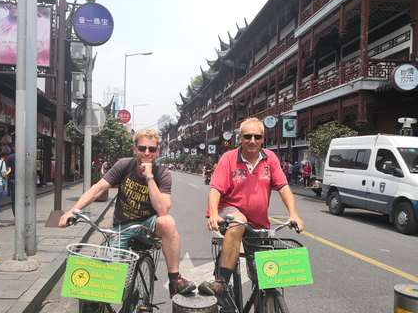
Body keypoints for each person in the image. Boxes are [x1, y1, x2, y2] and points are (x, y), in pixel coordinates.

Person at [59, 129, 196, 298]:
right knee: (105, 286)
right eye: (142, 148)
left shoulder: (163, 175)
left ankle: (174, 280)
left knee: (168, 221)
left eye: (152, 149)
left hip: (147, 227)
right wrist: (73, 211)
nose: (147, 152)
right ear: (135, 149)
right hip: (121, 228)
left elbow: (162, 210)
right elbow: (97, 189)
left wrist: (149, 177)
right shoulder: (124, 166)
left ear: (158, 151)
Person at [198, 118, 304, 308]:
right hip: (230, 212)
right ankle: (221, 283)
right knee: (238, 222)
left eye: (256, 136)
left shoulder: (270, 158)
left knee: (263, 281)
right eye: (248, 136)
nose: (252, 140)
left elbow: (284, 187)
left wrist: (293, 214)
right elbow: (214, 189)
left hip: (259, 224)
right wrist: (213, 213)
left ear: (263, 138)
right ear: (240, 137)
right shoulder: (228, 158)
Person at [5, 143, 16, 216]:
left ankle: (16, 215)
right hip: (25, 180)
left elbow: (7, 170)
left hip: (13, 179)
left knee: (14, 199)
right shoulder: (26, 156)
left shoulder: (10, 157)